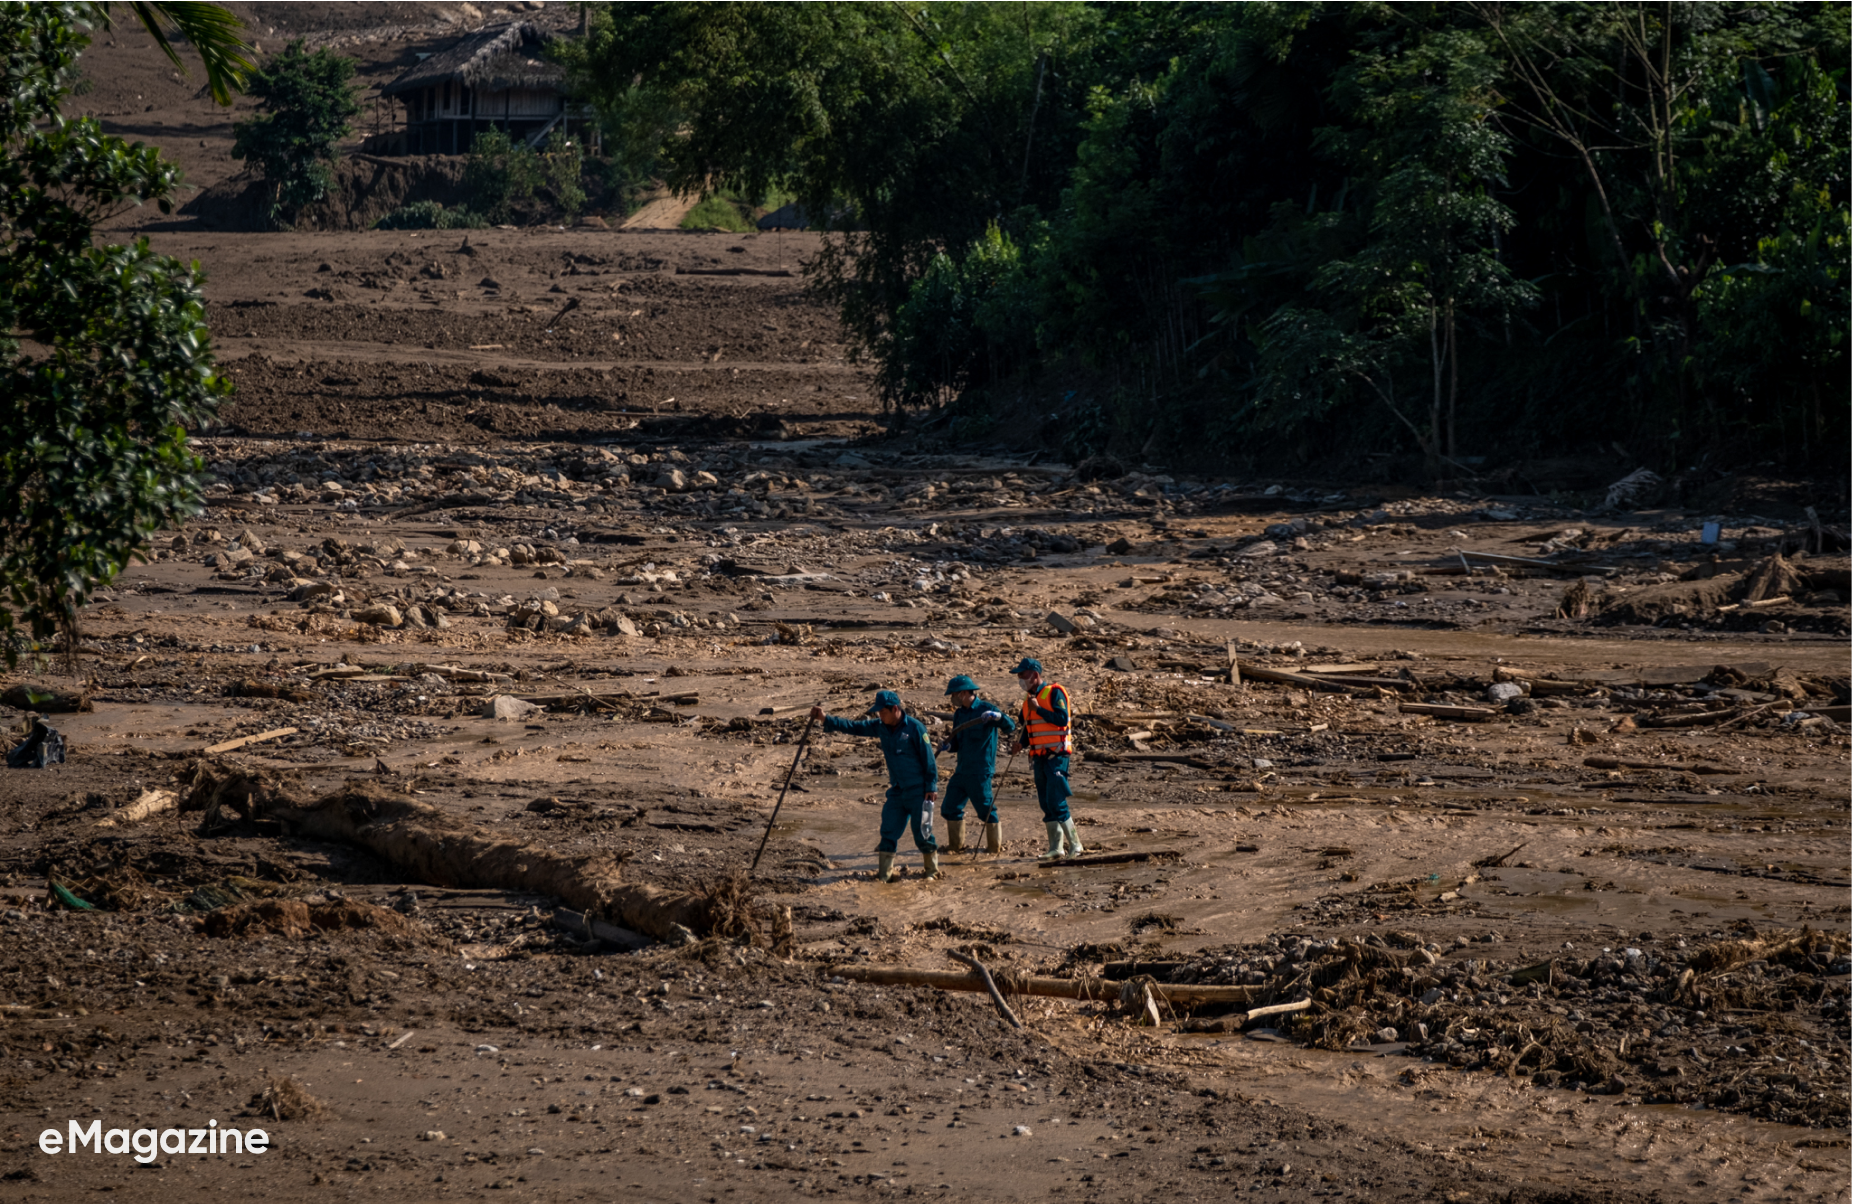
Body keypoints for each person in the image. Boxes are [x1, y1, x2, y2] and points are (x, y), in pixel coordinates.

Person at [810, 689, 939, 883]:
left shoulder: (915, 728)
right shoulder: (881, 727)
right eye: (878, 712)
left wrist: (931, 787)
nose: (880, 715)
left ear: (895, 709)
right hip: (897, 790)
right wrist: (825, 718)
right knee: (888, 832)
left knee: (923, 833)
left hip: (919, 791)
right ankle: (885, 876)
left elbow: (929, 760)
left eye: (882, 712)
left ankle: (932, 872)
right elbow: (854, 727)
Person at [1007, 656, 1084, 859]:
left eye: (1022, 675)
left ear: (1035, 674)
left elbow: (1061, 719)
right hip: (1039, 757)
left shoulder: (1054, 693)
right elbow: (1027, 730)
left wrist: (1038, 709)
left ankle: (1075, 844)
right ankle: (1055, 848)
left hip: (1057, 755)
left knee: (1056, 799)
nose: (1020, 679)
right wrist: (1020, 744)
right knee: (1045, 802)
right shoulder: (1027, 701)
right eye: (1019, 675)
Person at [936, 674, 1014, 854]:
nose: (952, 698)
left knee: (985, 809)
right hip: (962, 769)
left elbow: (1010, 727)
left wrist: (997, 717)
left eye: (954, 694)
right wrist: (947, 746)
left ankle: (994, 848)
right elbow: (956, 743)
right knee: (950, 807)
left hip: (980, 770)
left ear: (964, 693)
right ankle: (956, 847)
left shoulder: (987, 709)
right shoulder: (959, 714)